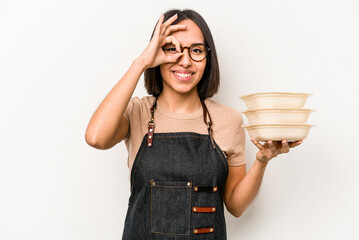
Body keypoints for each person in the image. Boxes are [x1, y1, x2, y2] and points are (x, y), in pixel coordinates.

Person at [85, 9, 302, 240]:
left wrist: (262, 160)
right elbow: (96, 137)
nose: (185, 61)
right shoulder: (137, 111)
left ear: (208, 58)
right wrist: (141, 63)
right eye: (172, 49)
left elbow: (236, 207)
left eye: (196, 50)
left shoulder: (229, 119)